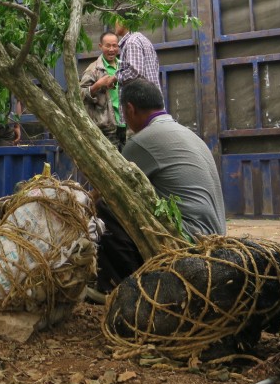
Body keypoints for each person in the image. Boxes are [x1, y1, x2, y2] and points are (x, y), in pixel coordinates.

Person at [91, 78, 226, 295]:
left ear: (129, 109)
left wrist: (77, 205)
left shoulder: (142, 141)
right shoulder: (190, 135)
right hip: (216, 240)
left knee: (106, 208)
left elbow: (107, 187)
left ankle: (129, 289)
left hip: (187, 242)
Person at [79, 31, 126, 150]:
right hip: (106, 129)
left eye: (114, 45)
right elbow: (80, 94)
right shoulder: (93, 69)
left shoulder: (124, 67)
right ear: (101, 46)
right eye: (108, 46)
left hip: (126, 125)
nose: (111, 49)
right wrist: (98, 85)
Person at [113, 19, 161, 92]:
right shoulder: (143, 39)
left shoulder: (131, 42)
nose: (114, 24)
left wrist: (115, 78)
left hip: (141, 100)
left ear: (122, 21)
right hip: (152, 98)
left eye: (116, 21)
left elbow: (135, 72)